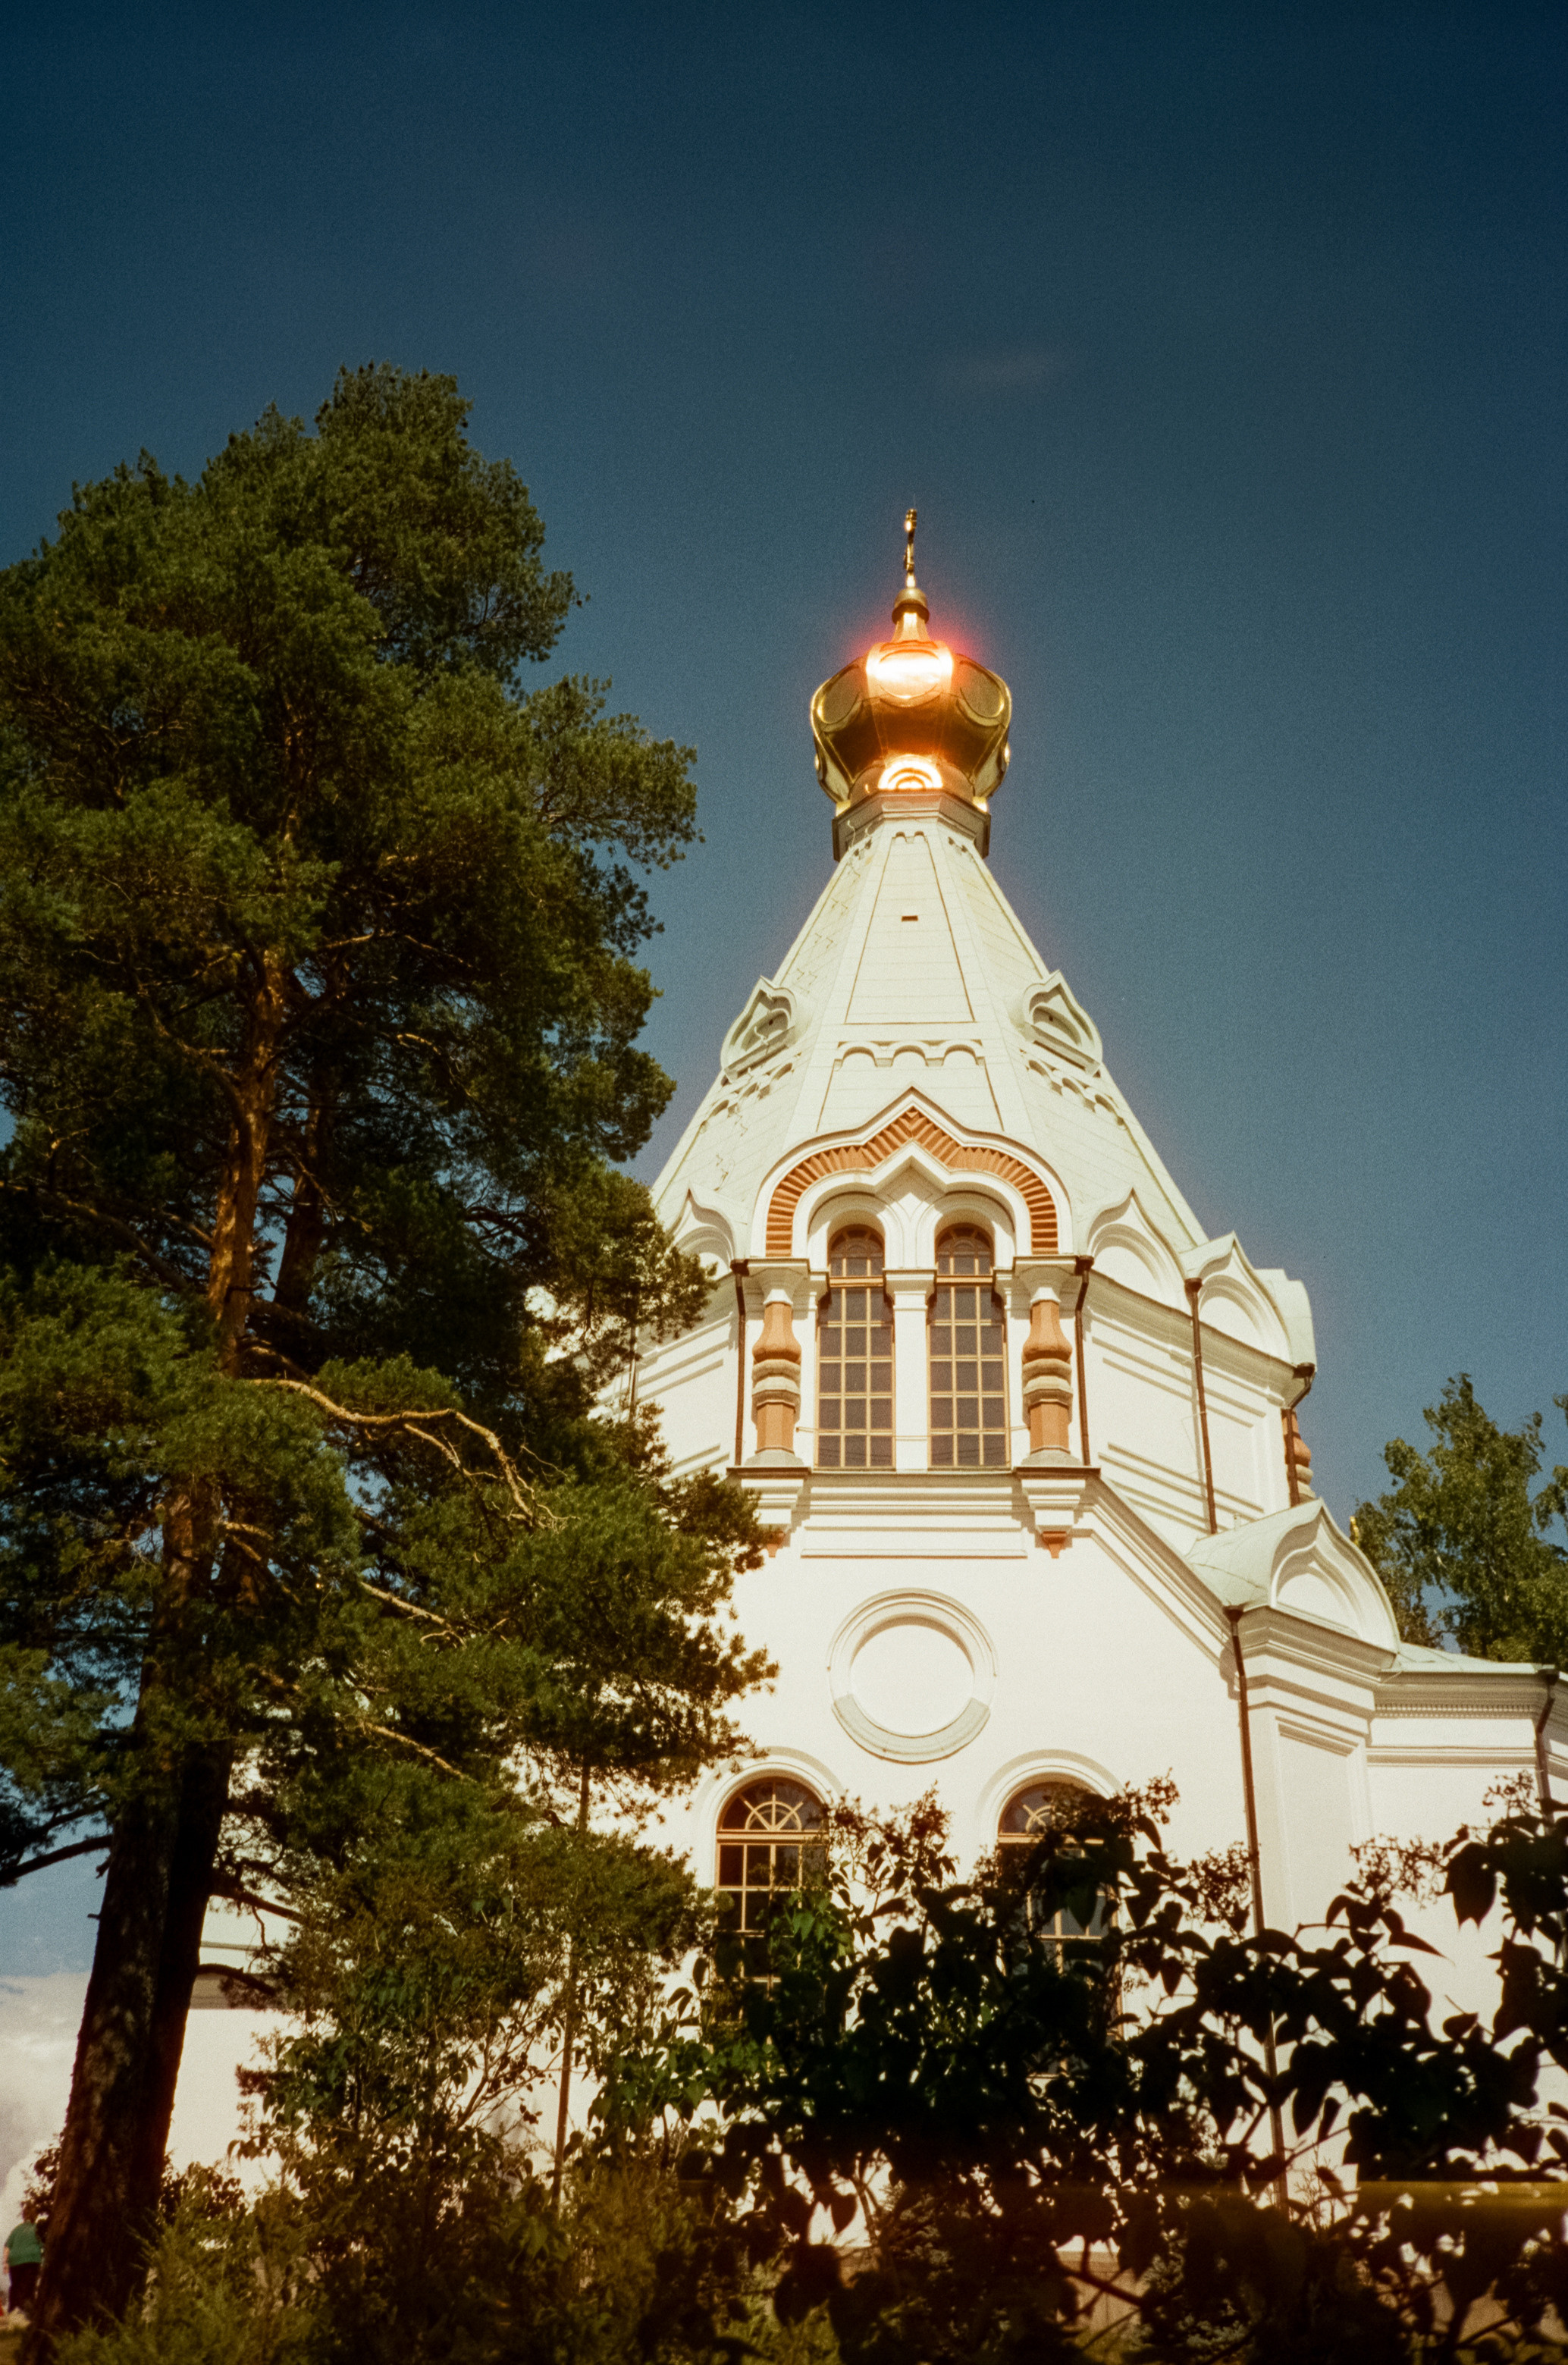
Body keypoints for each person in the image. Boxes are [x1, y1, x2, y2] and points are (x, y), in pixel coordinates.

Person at [3, 2205, 42, 2316]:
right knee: (28, 2289)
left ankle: (13, 2313)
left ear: (24, 2216)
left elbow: (7, 2247)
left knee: (15, 2287)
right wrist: (43, 2263)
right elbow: (43, 2246)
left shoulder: (17, 2229)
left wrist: (5, 2263)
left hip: (15, 2262)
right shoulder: (37, 2229)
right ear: (36, 2216)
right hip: (31, 2260)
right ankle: (26, 2315)